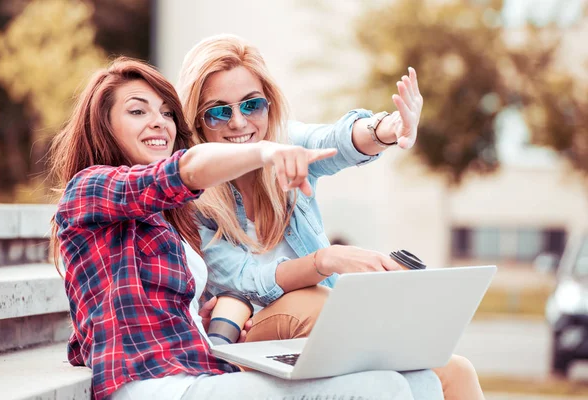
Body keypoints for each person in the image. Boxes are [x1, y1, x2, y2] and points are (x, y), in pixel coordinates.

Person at [50, 56, 442, 400]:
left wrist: (386, 129)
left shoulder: (165, 219)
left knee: (421, 381)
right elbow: (186, 169)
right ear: (103, 125)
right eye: (138, 112)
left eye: (167, 112)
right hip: (161, 385)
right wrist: (265, 151)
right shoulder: (89, 187)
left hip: (204, 370)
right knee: (384, 389)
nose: (159, 122)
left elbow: (332, 139)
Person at [177, 34, 485, 400]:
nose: (239, 122)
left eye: (252, 105)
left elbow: (336, 141)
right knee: (312, 301)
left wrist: (389, 130)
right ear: (196, 121)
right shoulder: (189, 191)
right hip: (245, 337)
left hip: (313, 328)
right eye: (219, 111)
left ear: (269, 104)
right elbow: (247, 281)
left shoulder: (285, 144)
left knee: (455, 372)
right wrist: (327, 260)